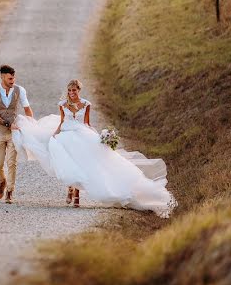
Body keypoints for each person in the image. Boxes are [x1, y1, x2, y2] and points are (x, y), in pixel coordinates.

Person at [12, 79, 177, 217]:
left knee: (89, 163)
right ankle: (73, 192)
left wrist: (100, 138)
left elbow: (87, 123)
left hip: (82, 133)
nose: (72, 93)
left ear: (79, 90)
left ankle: (78, 195)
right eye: (69, 90)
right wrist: (55, 135)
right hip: (66, 134)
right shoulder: (62, 105)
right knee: (70, 163)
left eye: (74, 90)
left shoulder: (86, 104)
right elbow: (62, 122)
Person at [0, 64, 34, 204]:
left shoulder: (20, 90)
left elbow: (27, 109)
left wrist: (32, 125)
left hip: (15, 133)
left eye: (14, 78)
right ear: (2, 77)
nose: (13, 81)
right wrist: (7, 124)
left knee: (12, 163)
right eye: (10, 78)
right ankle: (2, 181)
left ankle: (10, 191)